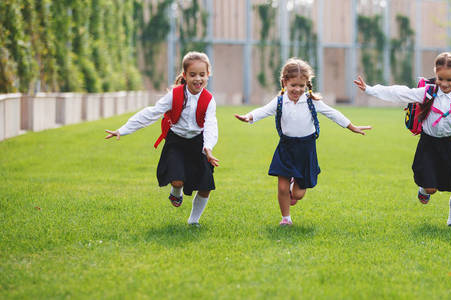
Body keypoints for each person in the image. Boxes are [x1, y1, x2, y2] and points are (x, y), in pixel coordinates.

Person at [235, 58, 371, 226]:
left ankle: (294, 185)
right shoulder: (279, 102)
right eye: (293, 85)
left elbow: (333, 113)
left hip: (306, 150)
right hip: (286, 148)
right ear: (285, 82)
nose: (297, 90)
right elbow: (262, 111)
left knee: (298, 195)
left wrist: (352, 126)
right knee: (282, 188)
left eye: (301, 86)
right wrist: (248, 117)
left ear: (307, 84)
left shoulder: (311, 101)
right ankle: (286, 219)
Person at [354, 52, 451, 227]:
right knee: (431, 189)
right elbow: (399, 93)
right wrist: (370, 89)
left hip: (448, 145)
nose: (444, 84)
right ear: (435, 74)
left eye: (449, 80)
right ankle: (424, 190)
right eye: (440, 79)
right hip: (428, 144)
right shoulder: (427, 92)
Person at [105, 51, 219, 227]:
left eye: (202, 75)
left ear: (208, 75)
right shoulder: (174, 95)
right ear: (185, 76)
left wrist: (208, 148)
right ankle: (176, 191)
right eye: (193, 75)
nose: (198, 79)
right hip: (176, 142)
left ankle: (193, 221)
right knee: (177, 180)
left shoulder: (209, 100)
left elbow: (211, 125)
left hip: (199, 143)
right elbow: (151, 113)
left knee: (205, 186)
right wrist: (124, 130)